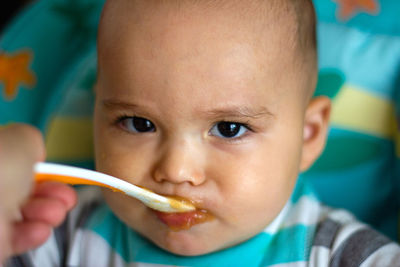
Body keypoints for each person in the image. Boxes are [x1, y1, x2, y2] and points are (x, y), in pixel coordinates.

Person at [3, 0, 400, 266]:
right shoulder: (57, 236)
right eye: (139, 123)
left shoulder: (338, 255)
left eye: (229, 129)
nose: (176, 171)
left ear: (308, 135)